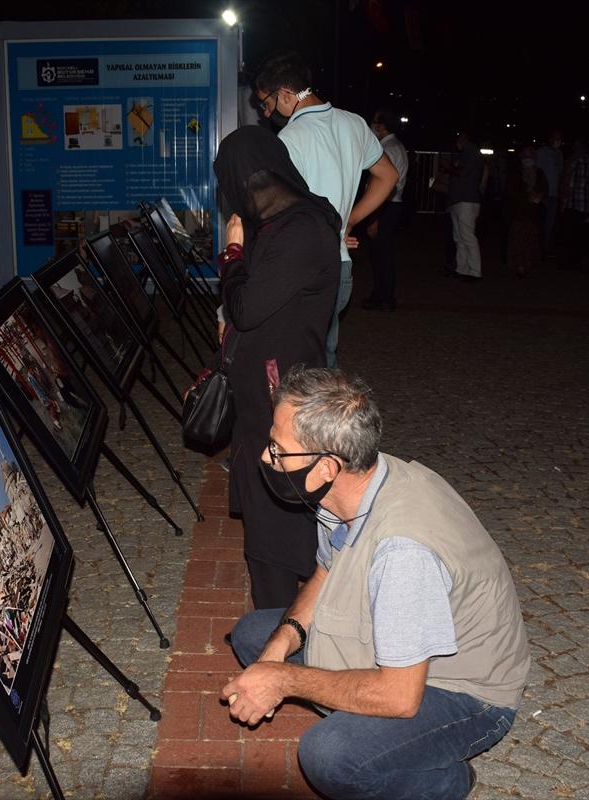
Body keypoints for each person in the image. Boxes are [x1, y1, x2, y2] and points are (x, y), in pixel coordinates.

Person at [222, 366, 531, 799]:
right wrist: (279, 650)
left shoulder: (404, 552)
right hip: (395, 644)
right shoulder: (358, 483)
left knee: (330, 754)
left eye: (278, 449)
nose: (266, 458)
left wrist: (284, 680)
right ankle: (357, 713)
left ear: (326, 466)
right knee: (255, 636)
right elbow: (327, 573)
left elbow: (400, 696)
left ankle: (447, 783)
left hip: (462, 691)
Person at [213, 125, 342, 609]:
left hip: (281, 391)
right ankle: (276, 614)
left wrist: (232, 253)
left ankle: (279, 626)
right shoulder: (276, 224)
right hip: (264, 388)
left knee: (278, 509)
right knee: (265, 504)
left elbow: (246, 308)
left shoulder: (301, 230)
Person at [254, 52, 398, 367]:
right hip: (340, 265)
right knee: (324, 355)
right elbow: (388, 176)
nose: (265, 113)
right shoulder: (355, 123)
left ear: (285, 94)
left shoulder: (289, 138)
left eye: (265, 103)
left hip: (301, 269)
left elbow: (278, 212)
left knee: (296, 362)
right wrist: (349, 220)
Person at [360, 109, 409, 311]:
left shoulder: (387, 148)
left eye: (375, 122)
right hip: (390, 206)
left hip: (385, 207)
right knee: (381, 254)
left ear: (382, 126)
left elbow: (381, 185)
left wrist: (374, 218)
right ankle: (381, 295)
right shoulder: (396, 146)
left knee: (381, 255)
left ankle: (384, 297)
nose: (372, 126)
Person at [505, 145, 548, 277]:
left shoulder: (539, 173)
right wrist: (526, 196)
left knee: (530, 240)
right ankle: (518, 265)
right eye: (525, 156)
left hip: (533, 214)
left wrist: (539, 196)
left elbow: (545, 190)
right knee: (517, 239)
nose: (527, 159)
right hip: (518, 213)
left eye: (530, 156)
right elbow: (511, 192)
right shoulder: (516, 173)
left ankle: (527, 264)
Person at [448, 131, 486, 281]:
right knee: (460, 237)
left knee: (467, 236)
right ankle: (462, 269)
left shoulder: (472, 153)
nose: (458, 140)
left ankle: (475, 271)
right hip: (460, 200)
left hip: (466, 200)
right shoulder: (467, 153)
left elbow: (463, 172)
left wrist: (449, 168)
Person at [560, 140, 589, 270]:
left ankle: (569, 260)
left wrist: (563, 200)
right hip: (586, 203)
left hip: (573, 202)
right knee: (579, 233)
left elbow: (568, 181)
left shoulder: (575, 160)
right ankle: (576, 260)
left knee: (569, 233)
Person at [535, 129, 564, 259]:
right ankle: (538, 248)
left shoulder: (559, 154)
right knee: (540, 222)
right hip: (543, 194)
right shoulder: (541, 153)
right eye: (556, 138)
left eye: (560, 138)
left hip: (554, 195)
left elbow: (561, 174)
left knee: (550, 224)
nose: (558, 141)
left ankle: (545, 249)